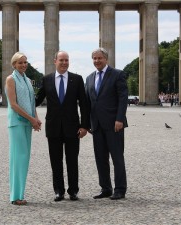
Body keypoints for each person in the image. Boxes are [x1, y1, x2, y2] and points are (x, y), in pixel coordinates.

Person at [36, 50, 88, 202]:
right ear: (55, 61)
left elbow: (84, 104)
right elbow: (37, 100)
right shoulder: (46, 79)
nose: (64, 63)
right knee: (55, 161)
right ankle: (59, 191)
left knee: (72, 161)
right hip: (53, 128)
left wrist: (84, 126)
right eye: (61, 60)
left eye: (67, 60)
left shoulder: (77, 79)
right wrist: (19, 105)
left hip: (73, 127)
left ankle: (73, 191)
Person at [85, 47, 128, 200]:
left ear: (106, 59)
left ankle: (120, 189)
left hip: (114, 123)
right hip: (96, 125)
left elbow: (123, 98)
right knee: (100, 158)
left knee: (117, 157)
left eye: (99, 58)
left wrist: (120, 119)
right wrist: (86, 123)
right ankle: (106, 188)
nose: (97, 61)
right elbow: (87, 103)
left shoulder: (117, 74)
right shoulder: (89, 78)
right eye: (94, 59)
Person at [5, 52, 42, 205]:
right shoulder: (11, 79)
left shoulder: (27, 80)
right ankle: (15, 196)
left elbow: (31, 101)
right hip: (17, 122)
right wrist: (32, 118)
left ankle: (20, 193)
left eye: (25, 62)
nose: (23, 65)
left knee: (24, 158)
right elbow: (13, 104)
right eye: (20, 62)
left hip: (27, 122)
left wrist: (36, 118)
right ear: (14, 64)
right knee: (18, 158)